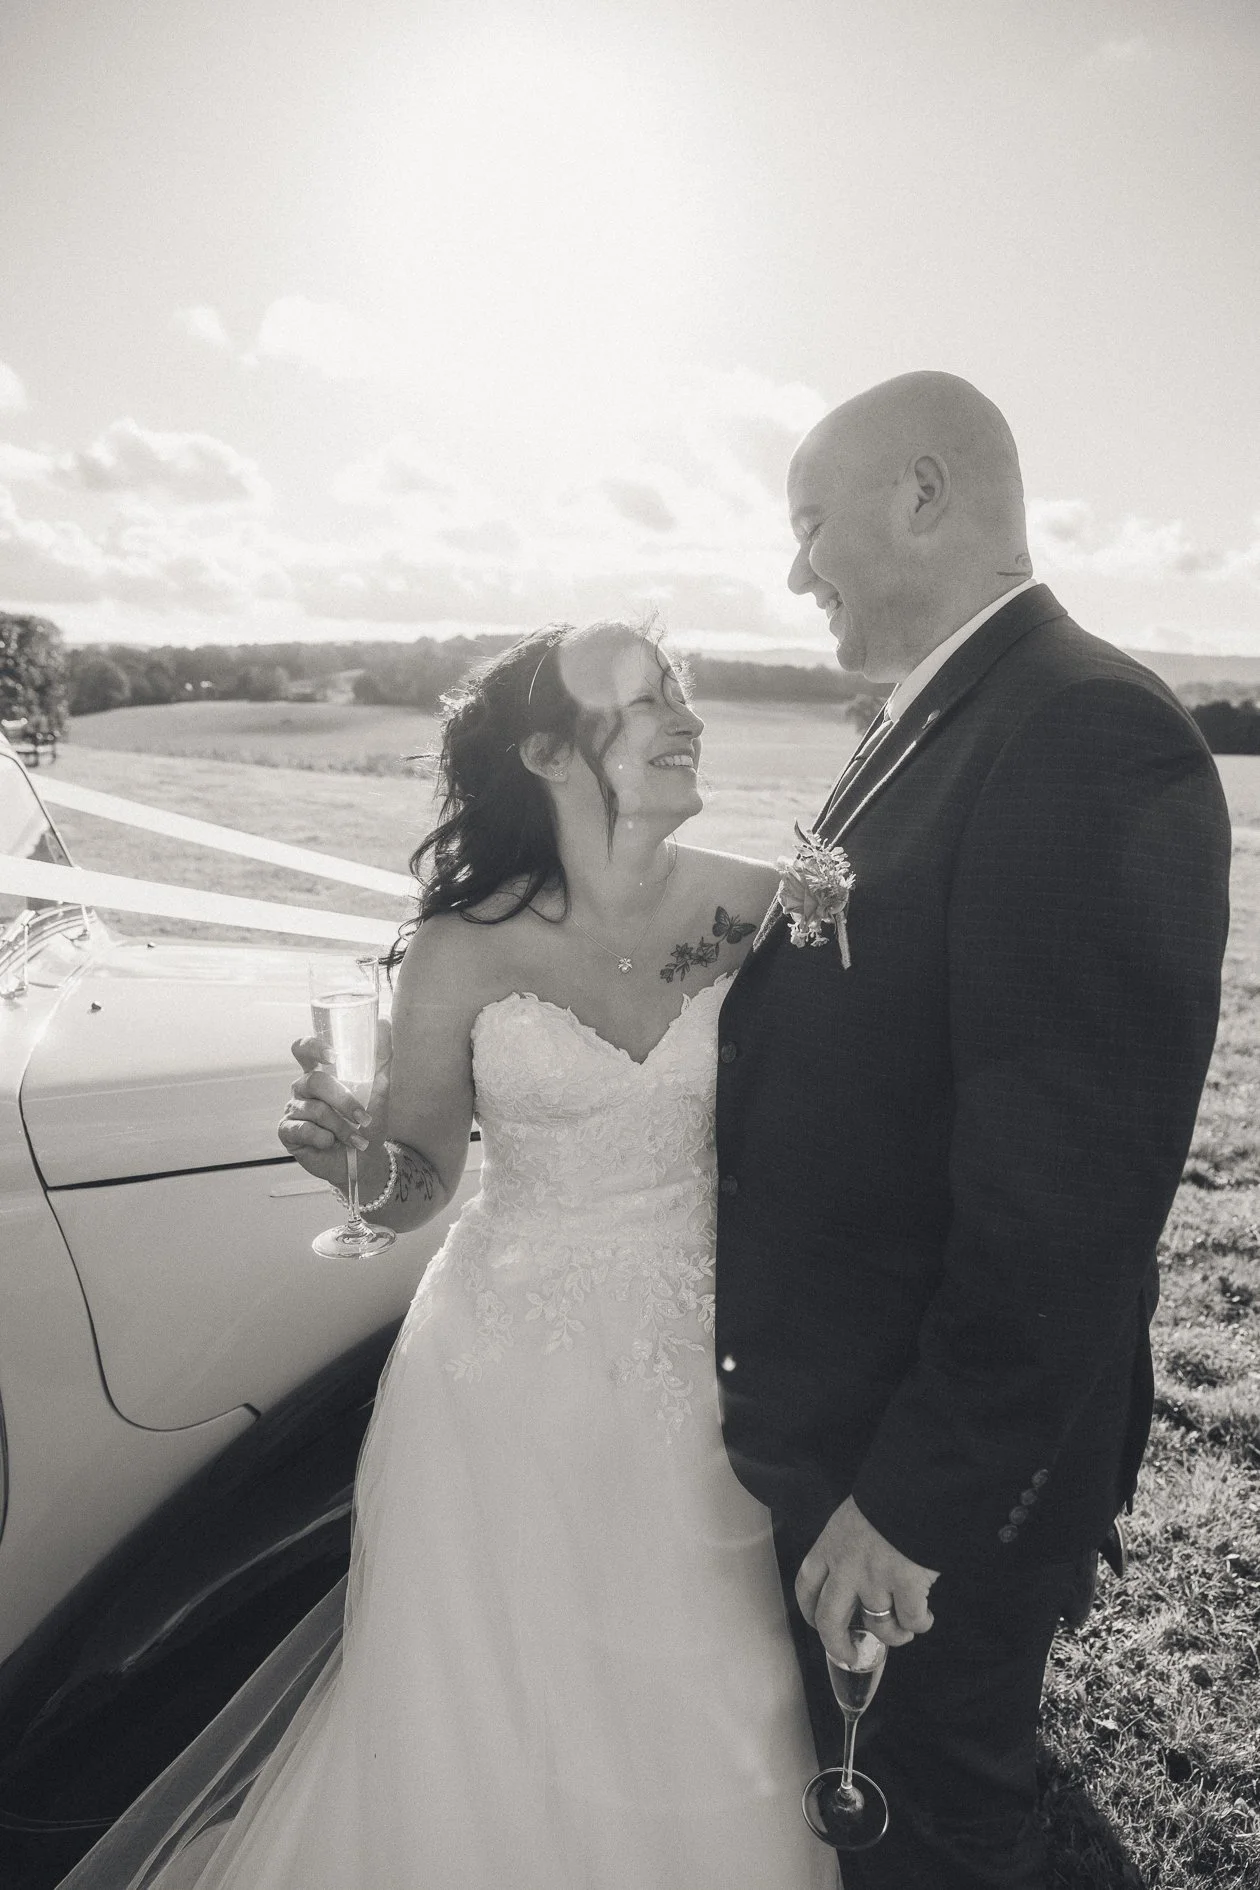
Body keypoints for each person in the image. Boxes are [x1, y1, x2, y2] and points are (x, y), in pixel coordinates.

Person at [59, 620, 834, 1890]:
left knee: (706, 1676)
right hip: (500, 1380)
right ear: (543, 750)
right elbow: (414, 1184)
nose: (689, 718)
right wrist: (349, 1160)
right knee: (496, 1700)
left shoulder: (762, 904)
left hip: (705, 1364)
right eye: (644, 703)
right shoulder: (460, 946)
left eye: (682, 692)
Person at [713, 370, 1233, 1889]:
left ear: (924, 493)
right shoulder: (945, 707)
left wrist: (913, 1505)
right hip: (851, 1418)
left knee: (931, 1831)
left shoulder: (1081, 732)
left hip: (924, 1478)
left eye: (811, 522)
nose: (795, 568)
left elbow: (1067, 1193)